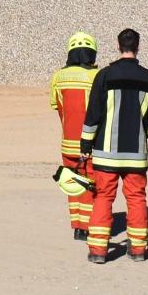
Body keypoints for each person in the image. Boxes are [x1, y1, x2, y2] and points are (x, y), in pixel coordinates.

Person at [79, 28, 148, 264]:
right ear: (139, 47)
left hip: (106, 153)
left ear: (118, 46)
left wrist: (86, 143)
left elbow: (93, 114)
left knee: (103, 198)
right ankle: (137, 250)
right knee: (136, 198)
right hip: (136, 155)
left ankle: (98, 251)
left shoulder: (104, 76)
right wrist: (141, 134)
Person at [49, 32, 99, 240]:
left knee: (72, 182)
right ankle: (87, 226)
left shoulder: (58, 76)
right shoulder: (94, 76)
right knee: (90, 183)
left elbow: (56, 106)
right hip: (91, 142)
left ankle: (77, 226)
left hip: (67, 142)